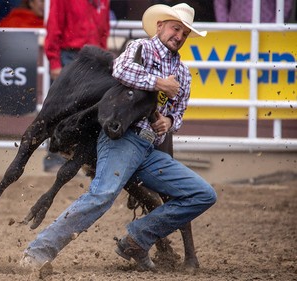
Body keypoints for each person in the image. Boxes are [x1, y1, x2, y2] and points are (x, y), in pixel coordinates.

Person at [20, 2, 217, 275]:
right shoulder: (141, 48)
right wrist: (159, 84)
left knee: (202, 194)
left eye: (184, 33)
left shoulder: (182, 73)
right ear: (160, 26)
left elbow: (179, 113)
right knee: (102, 194)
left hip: (148, 148)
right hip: (122, 138)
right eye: (176, 29)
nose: (179, 36)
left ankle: (136, 239)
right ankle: (38, 251)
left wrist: (169, 121)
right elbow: (120, 70)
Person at [43, 0, 111, 172]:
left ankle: (84, 157)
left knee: (91, 110)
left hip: (94, 59)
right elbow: (54, 26)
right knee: (61, 109)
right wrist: (55, 61)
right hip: (71, 55)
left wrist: (104, 60)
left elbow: (104, 30)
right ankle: (54, 156)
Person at [214, 0, 293, 23]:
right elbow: (220, 2)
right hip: (236, 29)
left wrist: (275, 24)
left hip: (268, 29)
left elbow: (286, 3)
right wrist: (225, 25)